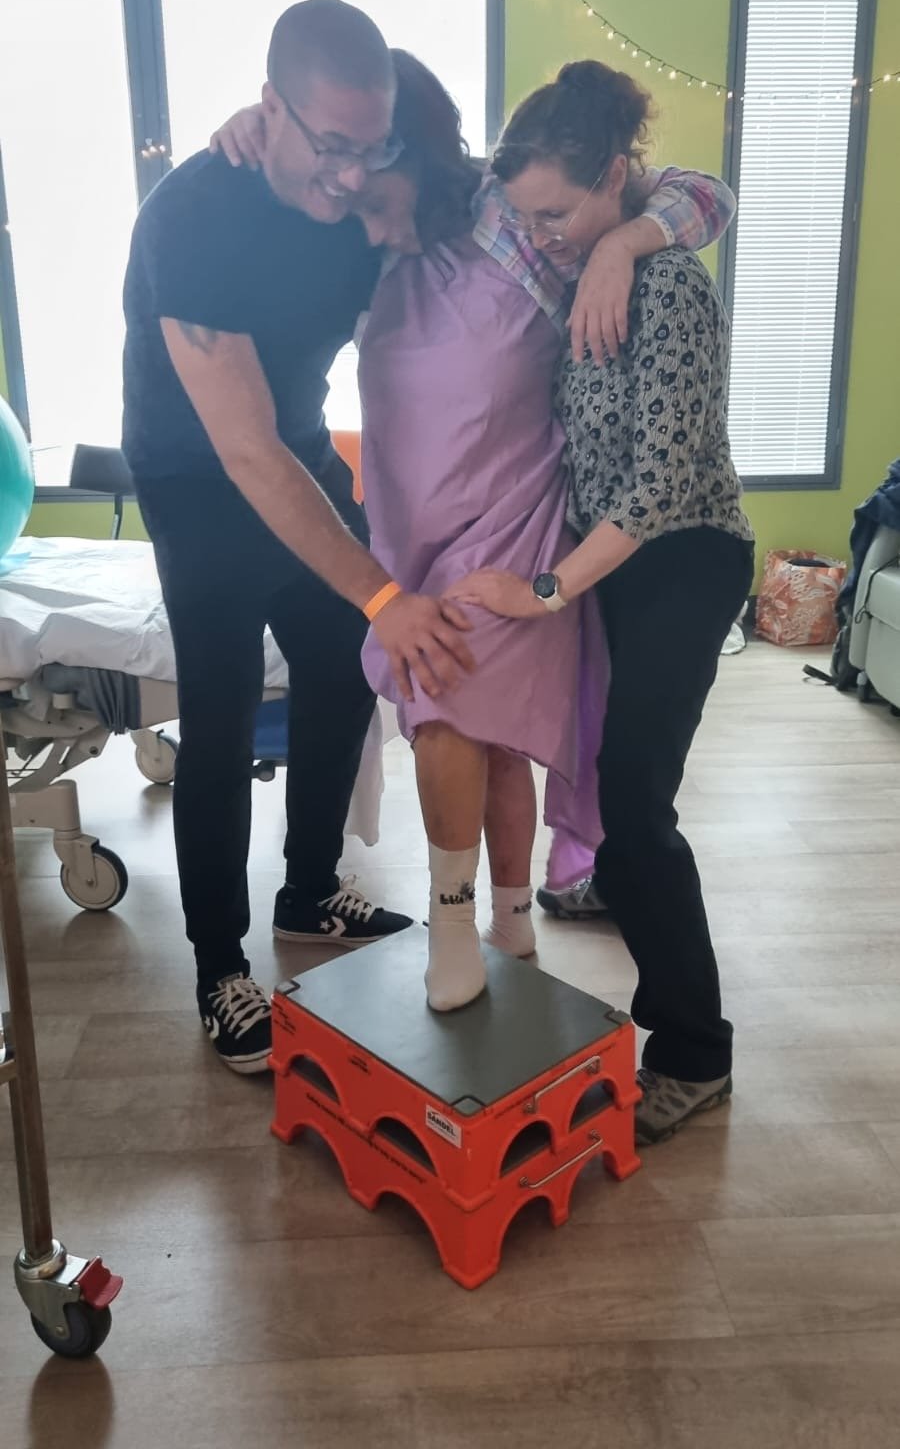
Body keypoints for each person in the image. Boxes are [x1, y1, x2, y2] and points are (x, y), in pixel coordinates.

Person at [213, 53, 735, 1017]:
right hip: (410, 518)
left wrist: (624, 244)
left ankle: (459, 925)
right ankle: (512, 922)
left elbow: (707, 194)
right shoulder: (360, 237)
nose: (366, 224)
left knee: (458, 711)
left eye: (376, 193)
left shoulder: (518, 217)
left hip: (510, 513)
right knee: (486, 742)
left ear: (415, 154)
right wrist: (247, 137)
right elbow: (283, 201)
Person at [122, 0, 475, 1075]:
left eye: (367, 151)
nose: (349, 179)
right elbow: (245, 452)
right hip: (198, 469)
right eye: (327, 147)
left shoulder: (365, 186)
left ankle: (312, 887)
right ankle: (219, 965)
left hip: (300, 445)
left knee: (343, 666)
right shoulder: (192, 219)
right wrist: (384, 590)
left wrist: (632, 239)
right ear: (268, 108)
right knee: (223, 720)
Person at [448, 61, 755, 1142]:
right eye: (530, 215)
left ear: (618, 177)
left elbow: (664, 481)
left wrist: (545, 589)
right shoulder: (571, 252)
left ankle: (695, 1049)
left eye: (563, 212)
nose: (545, 234)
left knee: (638, 801)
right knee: (607, 774)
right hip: (613, 564)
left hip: (684, 554)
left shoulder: (670, 284)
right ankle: (611, 880)